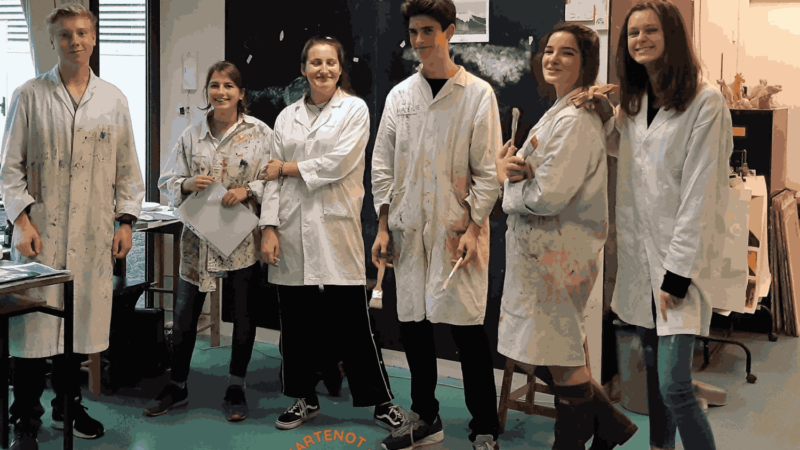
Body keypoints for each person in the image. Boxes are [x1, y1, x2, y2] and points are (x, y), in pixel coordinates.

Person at [0, 3, 145, 449]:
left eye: (82, 33)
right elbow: (9, 170)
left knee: (78, 326)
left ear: (94, 38)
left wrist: (126, 222)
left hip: (92, 235)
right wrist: (21, 221)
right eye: (65, 34)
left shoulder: (114, 99)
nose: (74, 41)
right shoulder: (29, 95)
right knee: (32, 328)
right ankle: (26, 414)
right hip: (39, 234)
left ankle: (69, 404)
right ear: (53, 42)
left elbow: (128, 170)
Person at [588, 1, 731, 449]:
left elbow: (701, 192)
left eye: (650, 30)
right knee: (652, 373)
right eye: (633, 33)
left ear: (672, 36)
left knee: (675, 386)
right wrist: (599, 112)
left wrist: (678, 272)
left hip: (677, 262)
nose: (640, 39)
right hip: (640, 258)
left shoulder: (705, 102)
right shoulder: (636, 102)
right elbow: (629, 152)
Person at [494, 22, 638, 450]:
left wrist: (509, 185)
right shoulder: (558, 111)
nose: (553, 59)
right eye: (549, 51)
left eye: (567, 52)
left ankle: (576, 441)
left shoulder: (575, 119)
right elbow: (537, 176)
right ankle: (610, 425)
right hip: (542, 257)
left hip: (557, 258)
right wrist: (512, 167)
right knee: (550, 351)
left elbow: (548, 196)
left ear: (586, 63)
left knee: (561, 357)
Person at [371, 1, 502, 448]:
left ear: (449, 32)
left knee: (468, 332)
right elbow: (382, 167)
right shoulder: (400, 97)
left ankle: (485, 425)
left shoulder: (477, 95)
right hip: (408, 230)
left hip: (456, 232)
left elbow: (488, 173)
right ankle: (425, 418)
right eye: (413, 32)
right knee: (414, 328)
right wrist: (383, 226)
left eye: (428, 31)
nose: (420, 41)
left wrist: (473, 227)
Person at [259, 36, 401, 432]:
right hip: (291, 230)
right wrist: (268, 227)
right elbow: (269, 178)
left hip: (336, 230)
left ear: (340, 68)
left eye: (330, 63)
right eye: (315, 63)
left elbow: (339, 163)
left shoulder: (353, 110)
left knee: (353, 324)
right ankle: (303, 399)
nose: (323, 69)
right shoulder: (286, 117)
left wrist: (287, 168)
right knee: (296, 325)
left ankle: (381, 402)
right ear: (303, 69)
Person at [151, 60, 272, 422]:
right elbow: (166, 180)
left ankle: (236, 386)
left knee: (243, 313)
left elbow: (276, 180)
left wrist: (247, 189)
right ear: (208, 91)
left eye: (228, 86)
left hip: (241, 238)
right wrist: (187, 184)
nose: (221, 92)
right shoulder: (191, 135)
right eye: (215, 85)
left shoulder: (260, 134)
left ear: (241, 93)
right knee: (185, 314)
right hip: (198, 240)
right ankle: (177, 384)